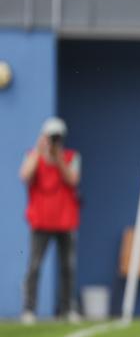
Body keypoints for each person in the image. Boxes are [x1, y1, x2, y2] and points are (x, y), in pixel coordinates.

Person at [19, 117, 82, 324]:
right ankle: (29, 309)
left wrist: (58, 159)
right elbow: (25, 175)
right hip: (41, 221)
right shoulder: (33, 156)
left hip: (65, 221)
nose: (55, 141)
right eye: (51, 137)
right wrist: (40, 151)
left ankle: (67, 309)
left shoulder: (71, 157)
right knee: (34, 266)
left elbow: (72, 179)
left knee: (68, 267)